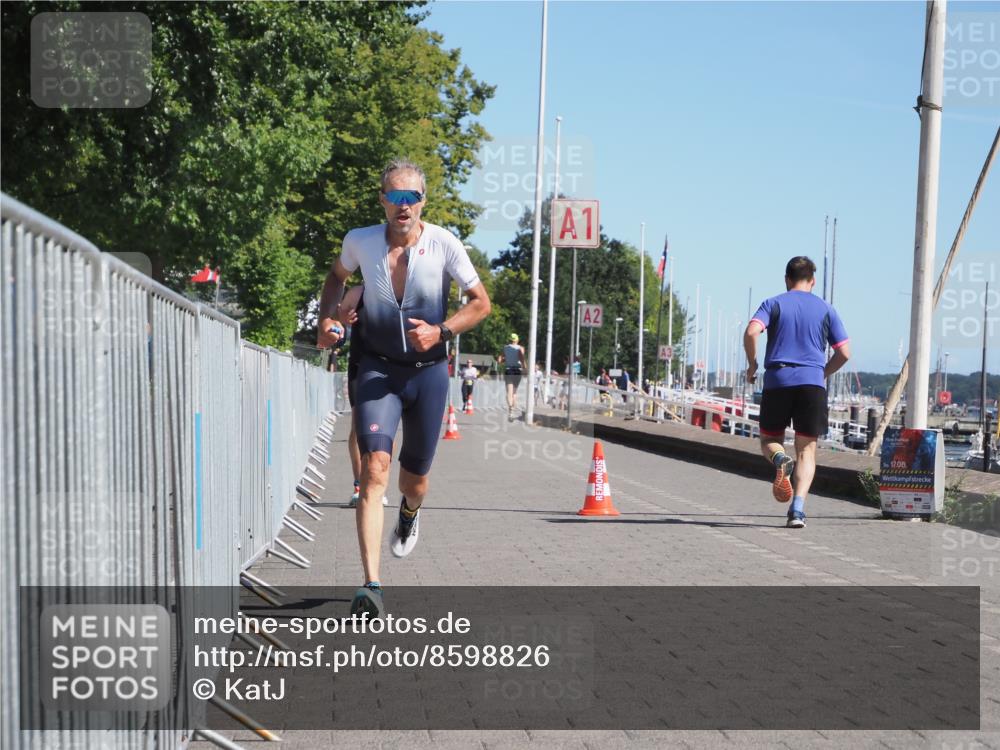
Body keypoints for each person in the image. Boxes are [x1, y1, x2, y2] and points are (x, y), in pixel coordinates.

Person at [317, 158, 491, 617]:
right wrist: (330, 320)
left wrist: (443, 332)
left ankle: (410, 514)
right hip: (377, 368)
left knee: (415, 482)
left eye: (411, 197)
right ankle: (371, 584)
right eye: (395, 196)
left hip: (428, 374)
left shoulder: (444, 244)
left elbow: (481, 303)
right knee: (375, 469)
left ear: (423, 202)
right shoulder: (361, 242)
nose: (403, 206)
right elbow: (336, 279)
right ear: (382, 201)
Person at [743, 256, 850, 529]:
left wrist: (752, 363)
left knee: (769, 439)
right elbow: (844, 353)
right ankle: (798, 511)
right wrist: (822, 373)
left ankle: (780, 459)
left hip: (778, 380)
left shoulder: (774, 303)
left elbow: (751, 332)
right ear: (812, 281)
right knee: (807, 452)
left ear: (787, 279)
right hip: (812, 384)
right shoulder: (826, 308)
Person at [337, 285, 388, 509]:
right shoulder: (357, 293)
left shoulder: (402, 292)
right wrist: (341, 319)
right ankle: (359, 486)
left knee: (384, 431)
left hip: (391, 368)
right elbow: (339, 317)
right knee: (358, 428)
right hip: (360, 366)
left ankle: (378, 485)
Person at [502, 332, 526, 421]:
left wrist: (505, 359)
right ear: (517, 340)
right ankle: (513, 410)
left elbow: (501, 358)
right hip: (517, 370)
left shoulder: (505, 348)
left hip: (509, 370)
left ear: (510, 340)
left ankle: (511, 411)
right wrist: (525, 368)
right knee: (514, 393)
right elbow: (522, 358)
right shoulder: (521, 348)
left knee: (509, 392)